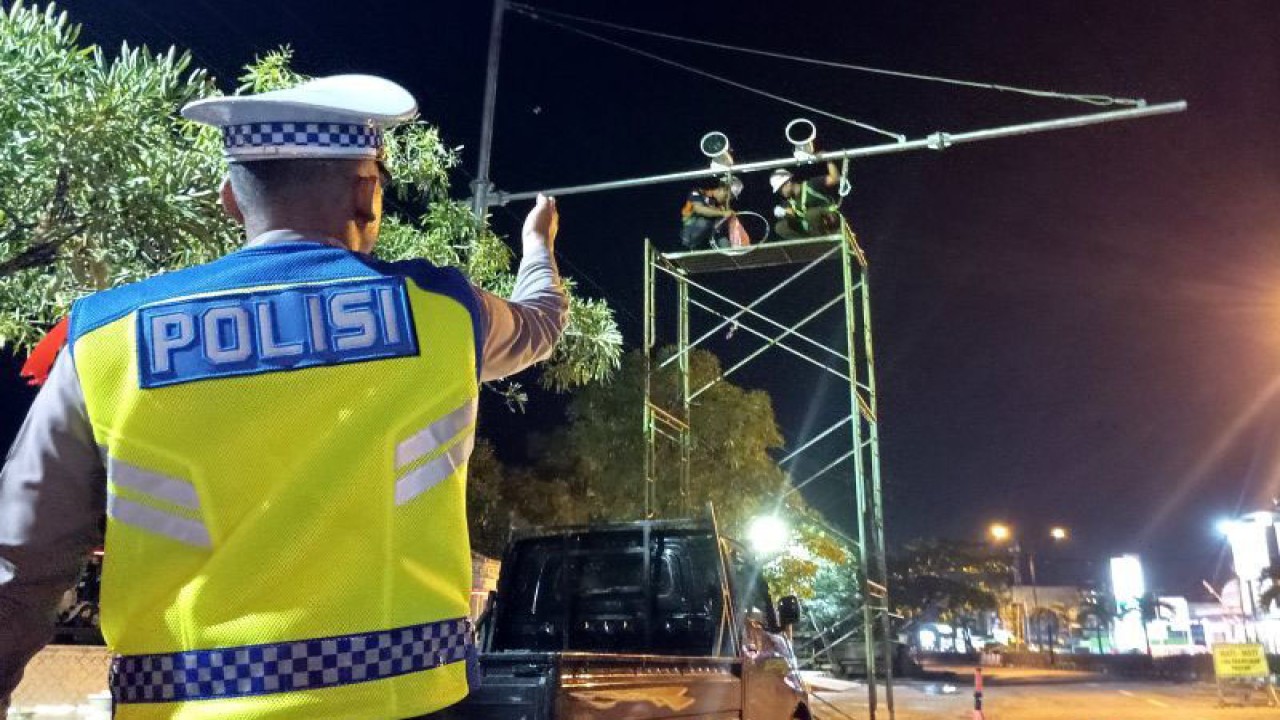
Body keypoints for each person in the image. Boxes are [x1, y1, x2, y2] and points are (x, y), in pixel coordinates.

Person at [0, 75, 568, 719]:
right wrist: (536, 248)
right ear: (367, 194)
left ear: (231, 202)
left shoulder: (107, 337)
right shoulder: (442, 314)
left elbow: (18, 567)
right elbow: (541, 323)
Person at [769, 160, 843, 239]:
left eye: (781, 189)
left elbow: (835, 178)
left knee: (811, 214)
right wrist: (784, 213)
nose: (781, 192)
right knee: (780, 227)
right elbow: (790, 214)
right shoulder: (789, 202)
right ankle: (805, 245)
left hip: (830, 220)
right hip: (811, 227)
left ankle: (822, 241)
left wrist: (829, 160)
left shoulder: (812, 185)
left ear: (788, 183)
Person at [678, 175, 742, 249]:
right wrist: (722, 213)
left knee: (724, 239)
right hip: (688, 234)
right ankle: (688, 248)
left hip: (706, 237)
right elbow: (699, 209)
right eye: (730, 196)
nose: (729, 200)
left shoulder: (720, 205)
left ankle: (729, 254)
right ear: (723, 189)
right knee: (706, 221)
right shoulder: (698, 192)